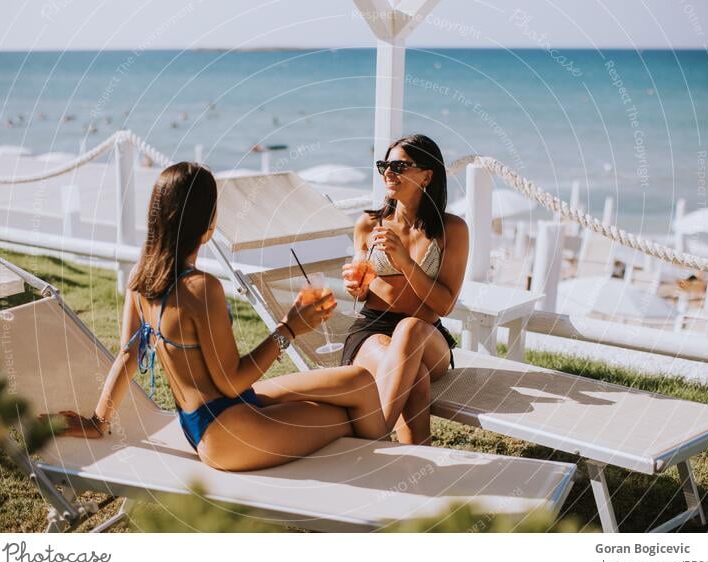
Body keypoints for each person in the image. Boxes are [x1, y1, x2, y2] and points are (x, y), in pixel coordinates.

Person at [48, 162, 387, 471]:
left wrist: (98, 419)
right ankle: (386, 487)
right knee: (349, 414)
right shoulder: (201, 288)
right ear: (208, 223)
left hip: (213, 416)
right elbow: (231, 380)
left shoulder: (143, 276)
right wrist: (289, 328)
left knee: (359, 382)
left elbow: (130, 352)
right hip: (229, 434)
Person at [341, 135, 469, 445]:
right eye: (385, 165)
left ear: (427, 176)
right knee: (416, 381)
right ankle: (417, 476)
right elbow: (360, 292)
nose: (388, 172)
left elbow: (444, 304)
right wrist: (355, 286)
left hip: (426, 335)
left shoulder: (452, 230)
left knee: (410, 328)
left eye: (399, 166)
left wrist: (405, 263)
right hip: (372, 329)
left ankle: (373, 437)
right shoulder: (369, 224)